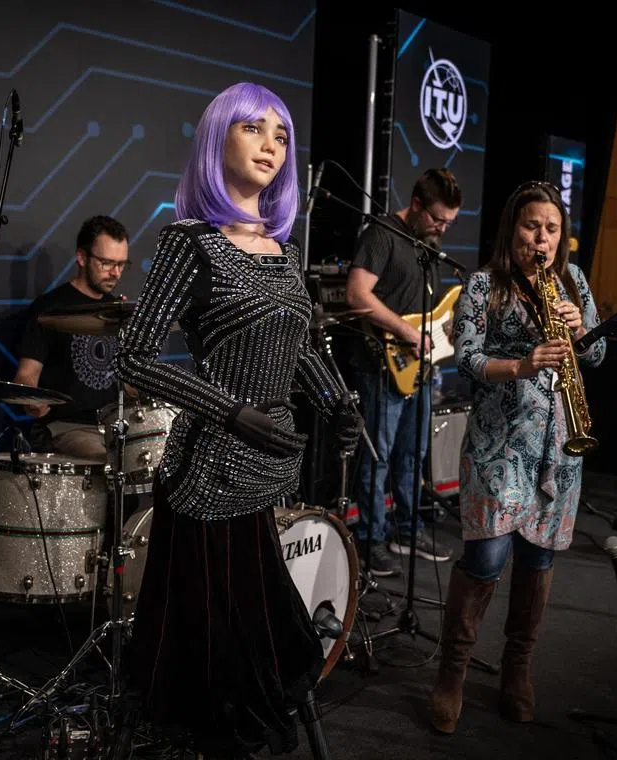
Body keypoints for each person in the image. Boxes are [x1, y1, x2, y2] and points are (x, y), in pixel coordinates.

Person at [115, 82, 363, 759]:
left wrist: (341, 403)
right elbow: (133, 355)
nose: (271, 146)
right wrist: (233, 411)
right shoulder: (188, 242)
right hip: (209, 474)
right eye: (254, 129)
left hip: (265, 471)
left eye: (280, 135)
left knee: (262, 634)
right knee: (220, 652)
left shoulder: (283, 251)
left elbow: (302, 346)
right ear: (217, 137)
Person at [429, 181, 606, 734]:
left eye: (552, 229)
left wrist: (582, 330)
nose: (543, 237)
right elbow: (469, 360)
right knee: (486, 559)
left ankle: (517, 668)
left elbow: (598, 352)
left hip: (559, 449)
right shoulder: (485, 285)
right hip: (499, 444)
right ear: (514, 229)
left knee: (539, 560)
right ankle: (452, 672)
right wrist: (525, 363)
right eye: (533, 226)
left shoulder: (572, 282)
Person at [344, 169, 460, 575]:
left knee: (414, 453)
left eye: (449, 222)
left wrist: (441, 332)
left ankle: (407, 530)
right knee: (378, 456)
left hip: (420, 366)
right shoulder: (381, 233)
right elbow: (357, 293)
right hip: (380, 362)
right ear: (416, 204)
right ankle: (370, 540)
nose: (442, 228)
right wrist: (405, 330)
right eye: (437, 219)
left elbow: (425, 308)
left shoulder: (429, 242)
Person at [13, 215, 131, 460]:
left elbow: (129, 383)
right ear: (82, 257)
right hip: (68, 427)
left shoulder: (120, 311)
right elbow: (26, 374)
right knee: (111, 460)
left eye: (122, 264)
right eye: (107, 263)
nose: (116, 273)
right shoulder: (51, 309)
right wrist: (31, 398)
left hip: (115, 426)